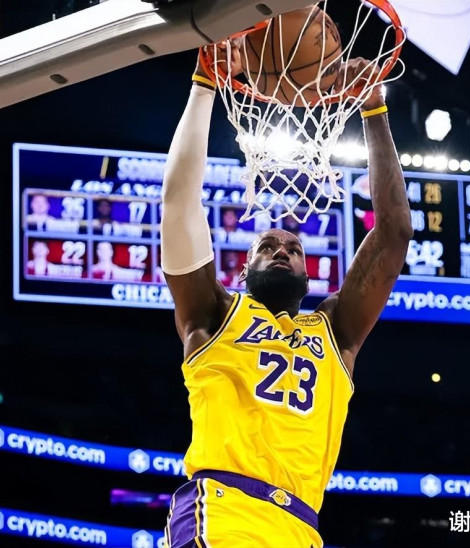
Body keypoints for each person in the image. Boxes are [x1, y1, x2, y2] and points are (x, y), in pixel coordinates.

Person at [159, 43, 412, 548]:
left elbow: (395, 233)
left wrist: (374, 108)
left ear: (307, 274)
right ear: (244, 269)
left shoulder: (334, 332)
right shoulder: (214, 314)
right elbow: (179, 205)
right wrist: (204, 85)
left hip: (301, 527)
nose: (281, 250)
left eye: (293, 248)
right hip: (223, 512)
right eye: (267, 246)